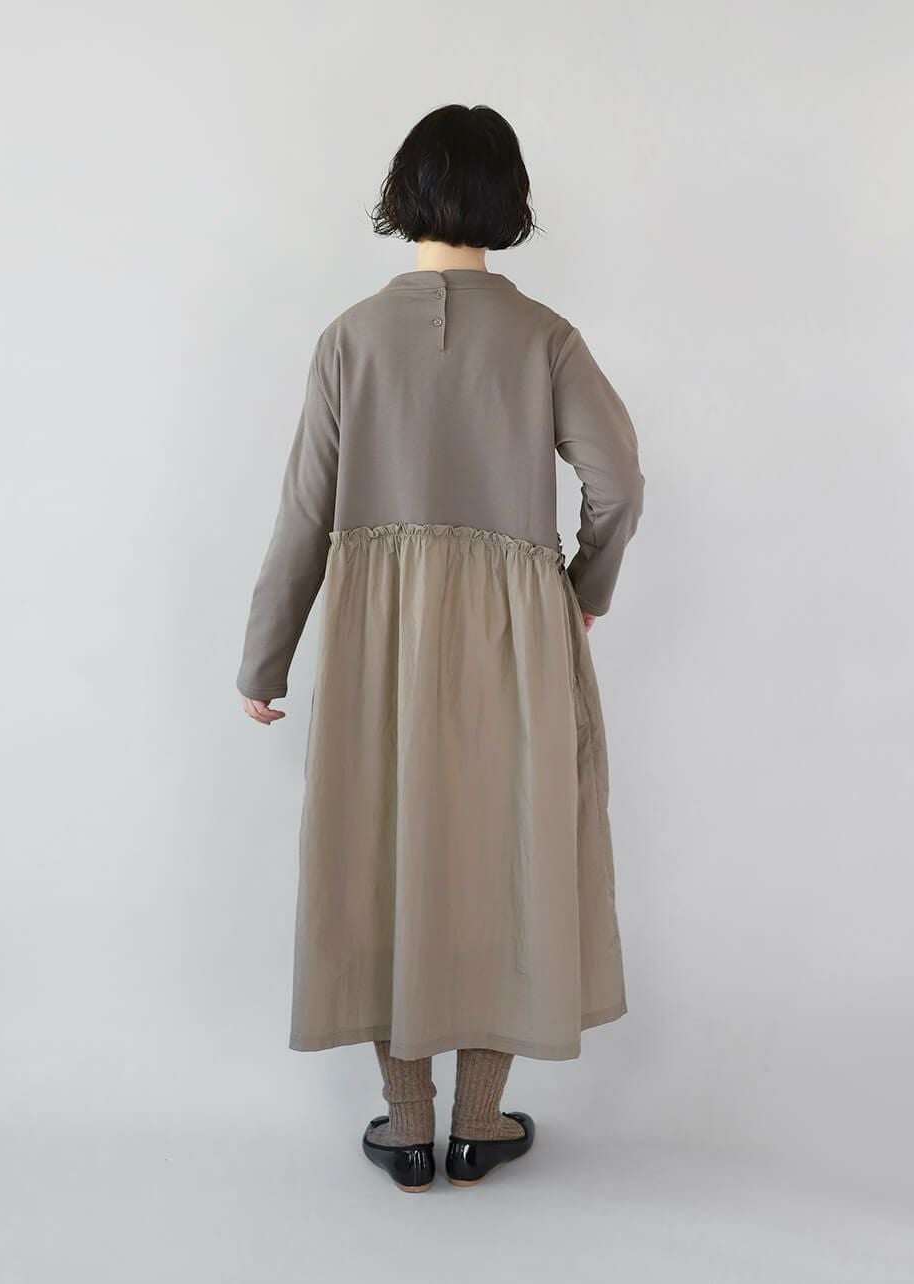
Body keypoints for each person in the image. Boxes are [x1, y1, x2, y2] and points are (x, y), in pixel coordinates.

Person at [235, 103, 645, 1192]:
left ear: (403, 193)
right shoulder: (546, 337)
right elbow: (617, 484)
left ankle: (407, 1126)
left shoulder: (349, 339)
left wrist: (264, 661)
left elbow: (303, 517)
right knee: (510, 852)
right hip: (515, 640)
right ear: (510, 201)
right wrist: (581, 589)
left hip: (378, 645)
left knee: (385, 854)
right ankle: (479, 1122)